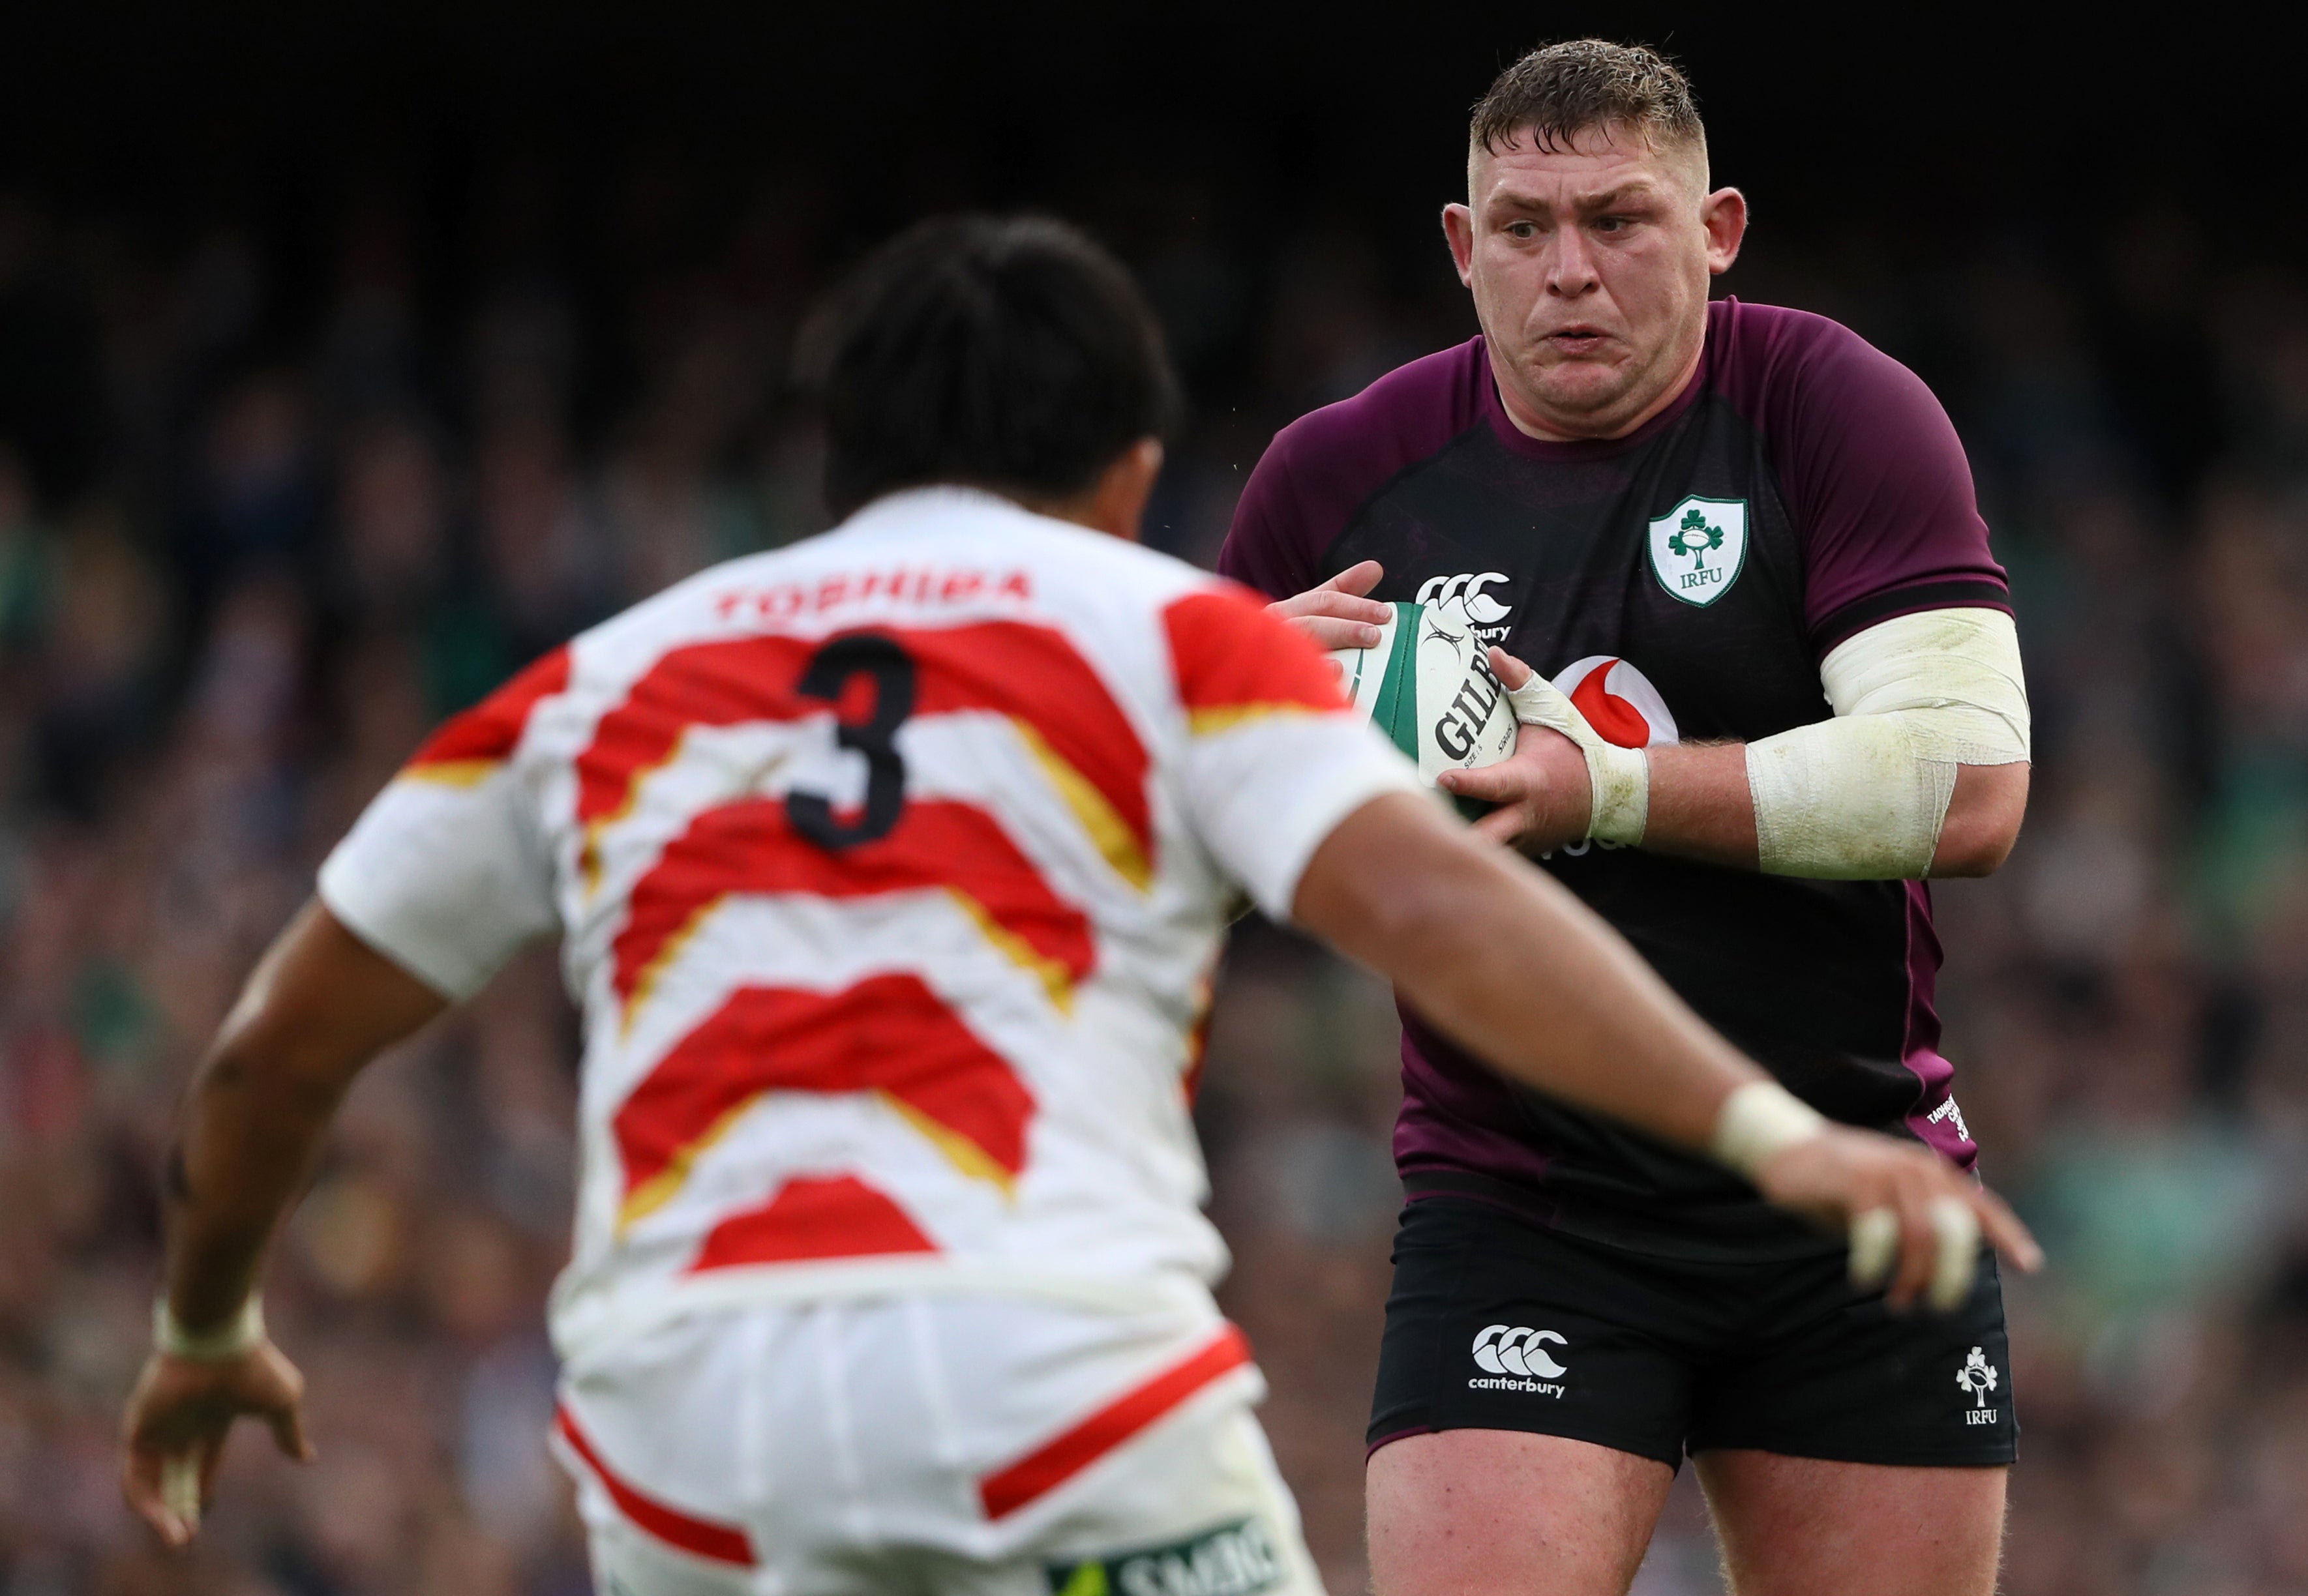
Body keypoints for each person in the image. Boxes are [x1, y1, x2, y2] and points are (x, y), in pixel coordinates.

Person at [119, 214, 2031, 1596]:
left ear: (832, 455)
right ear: (1127, 474)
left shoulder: (601, 677)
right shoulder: (1165, 640)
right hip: (1063, 1393)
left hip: (679, 1439)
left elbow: (272, 1050)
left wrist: (207, 1321)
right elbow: (1443, 912)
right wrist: (1773, 1132)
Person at [1223, 38, 2037, 1596]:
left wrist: (1598, 789)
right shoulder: (1340, 478)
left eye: (1621, 220)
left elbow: (1971, 782)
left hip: (1848, 1176)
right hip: (1525, 1206)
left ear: (1719, 231)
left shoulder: (1834, 409)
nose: (1570, 273)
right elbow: (1138, 831)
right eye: (1524, 230)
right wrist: (1228, 711)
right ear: (1464, 250)